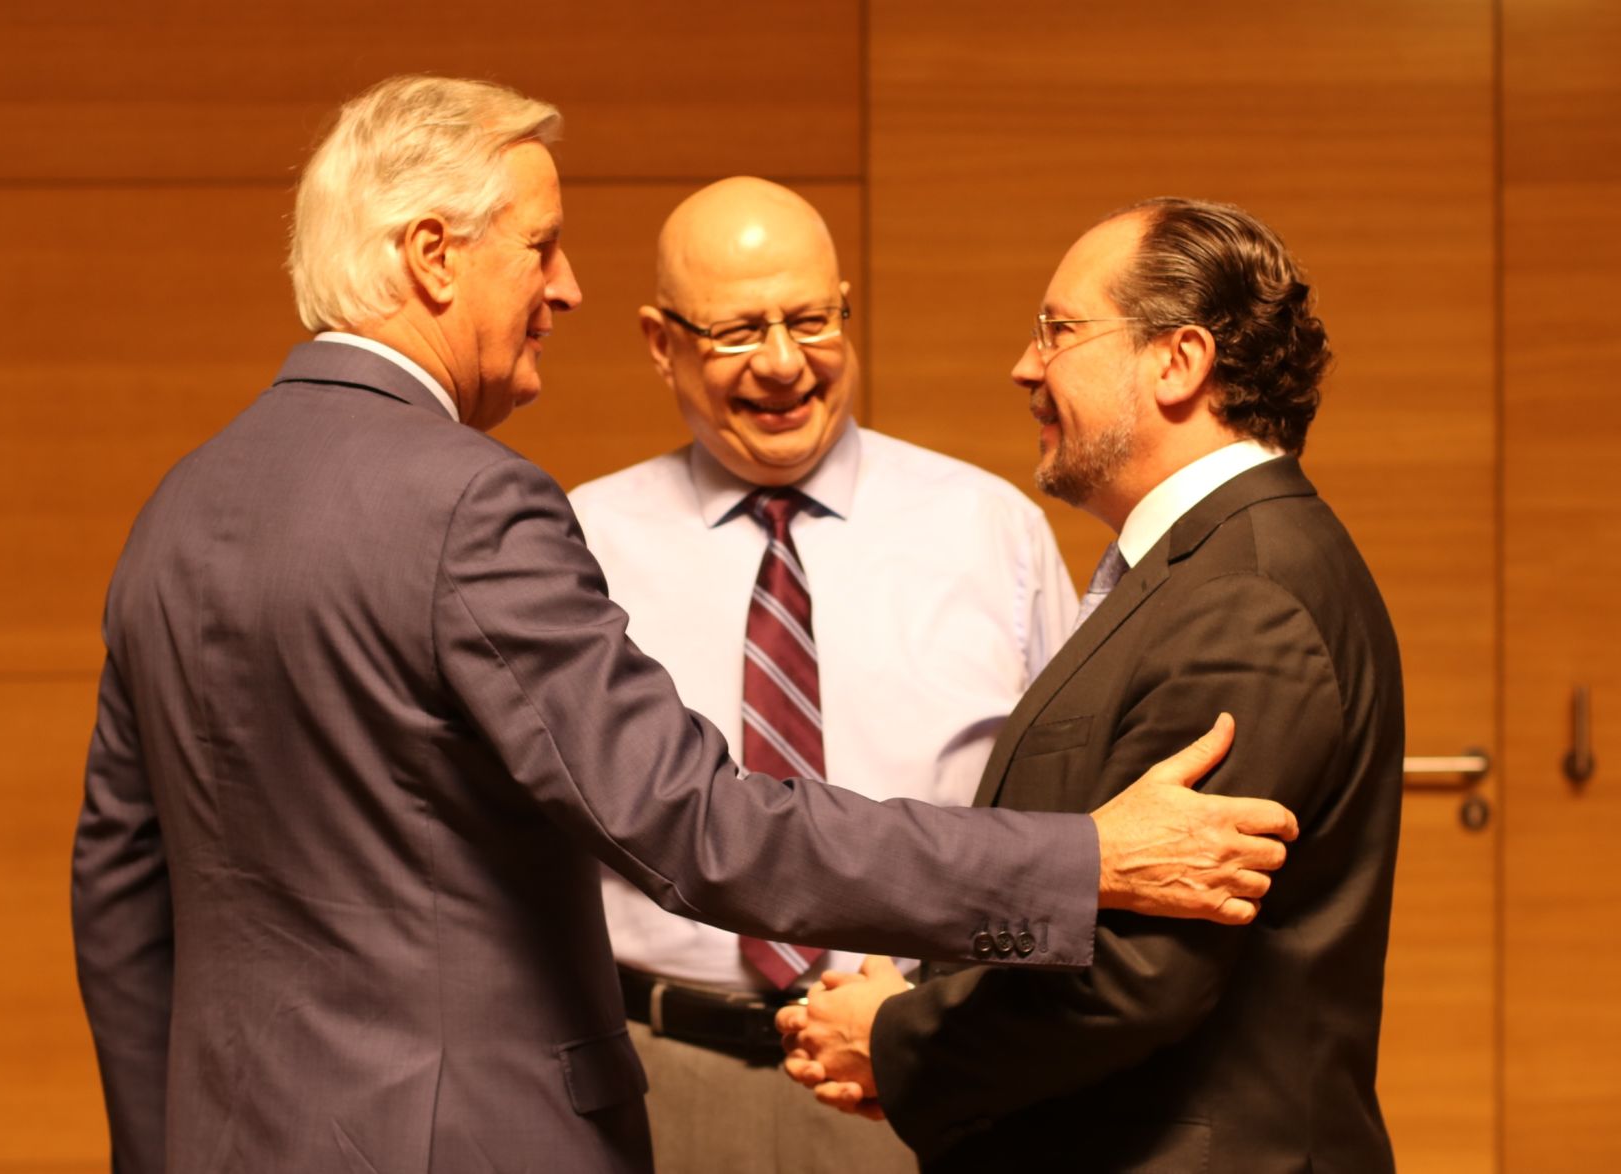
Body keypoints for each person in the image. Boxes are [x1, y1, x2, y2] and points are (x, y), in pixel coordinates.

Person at [70, 73, 1297, 1174]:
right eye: (541, 246)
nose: (566, 287)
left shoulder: (182, 505)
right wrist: (1080, 863)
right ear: (433, 256)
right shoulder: (470, 498)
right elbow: (694, 821)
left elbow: (120, 891)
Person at [780, 198, 1405, 1173]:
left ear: (1177, 360)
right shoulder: (1202, 570)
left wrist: (897, 1039)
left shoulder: (1241, 597)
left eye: (1058, 331)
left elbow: (1137, 968)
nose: (1025, 366)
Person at [568, 176, 1077, 1174]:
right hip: (653, 1076)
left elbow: (1065, 810)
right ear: (658, 340)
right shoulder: (577, 543)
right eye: (734, 331)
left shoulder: (989, 532)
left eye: (809, 319)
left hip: (921, 1071)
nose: (781, 363)